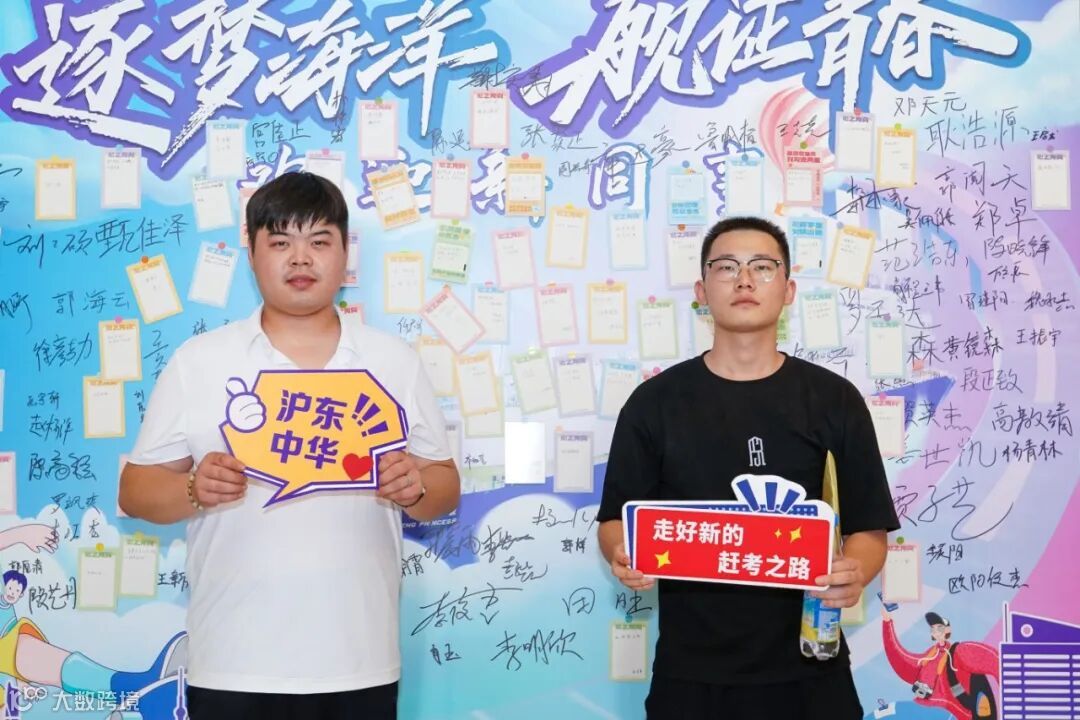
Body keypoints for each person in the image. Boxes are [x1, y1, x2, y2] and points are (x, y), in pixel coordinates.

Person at [120, 171, 460, 720]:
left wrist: (415, 487)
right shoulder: (199, 362)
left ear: (345, 254)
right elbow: (135, 491)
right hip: (232, 661)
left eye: (319, 241)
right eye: (280, 242)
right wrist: (193, 487)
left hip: (359, 660)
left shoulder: (393, 361)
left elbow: (444, 485)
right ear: (252, 255)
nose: (300, 258)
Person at [597, 216, 900, 720]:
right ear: (701, 291)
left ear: (788, 290)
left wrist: (854, 573)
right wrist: (621, 553)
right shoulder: (654, 403)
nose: (744, 280)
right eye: (726, 267)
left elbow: (868, 529)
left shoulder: (834, 400)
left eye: (762, 267)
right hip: (691, 677)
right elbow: (614, 522)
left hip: (811, 671)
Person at [882, 608, 999, 719]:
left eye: (939, 627)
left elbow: (994, 660)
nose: (936, 631)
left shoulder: (959, 652)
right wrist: (887, 623)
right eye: (933, 628)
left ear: (947, 630)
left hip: (950, 712)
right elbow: (900, 659)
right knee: (886, 712)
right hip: (926, 710)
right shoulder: (928, 657)